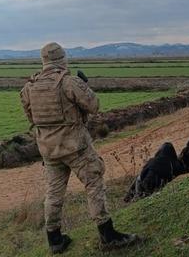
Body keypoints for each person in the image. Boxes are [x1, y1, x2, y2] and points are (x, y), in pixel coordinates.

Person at [20, 42, 140, 253]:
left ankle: (55, 240)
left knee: (54, 192)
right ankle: (107, 235)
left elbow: (31, 117)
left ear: (44, 61)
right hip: (75, 147)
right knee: (94, 183)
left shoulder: (29, 87)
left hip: (49, 150)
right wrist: (85, 85)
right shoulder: (69, 82)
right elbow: (93, 106)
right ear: (62, 59)